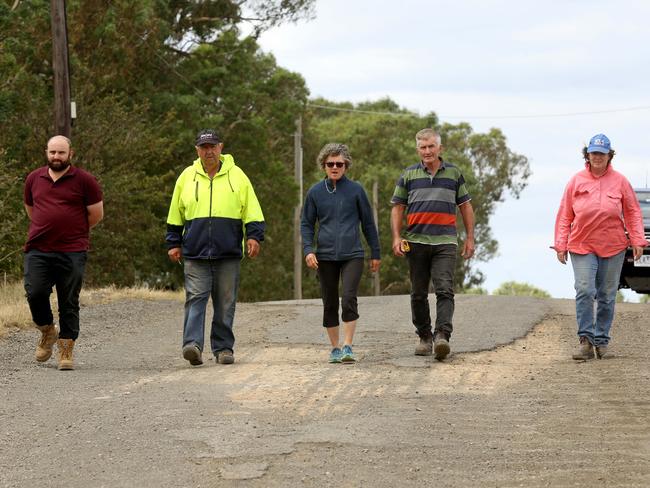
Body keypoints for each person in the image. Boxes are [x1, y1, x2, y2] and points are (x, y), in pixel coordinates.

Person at [166, 129, 265, 366]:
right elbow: (175, 212)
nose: (208, 151)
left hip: (228, 252)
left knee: (225, 302)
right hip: (195, 251)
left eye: (212, 146)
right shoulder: (186, 177)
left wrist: (254, 236)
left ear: (221, 147)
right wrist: (173, 242)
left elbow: (252, 209)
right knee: (195, 298)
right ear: (197, 150)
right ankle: (192, 345)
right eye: (203, 147)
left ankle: (223, 348)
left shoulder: (238, 176)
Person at [553, 133, 648, 360]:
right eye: (593, 153)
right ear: (588, 155)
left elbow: (633, 213)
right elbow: (565, 214)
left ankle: (602, 340)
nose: (597, 157)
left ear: (609, 156)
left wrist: (637, 240)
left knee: (606, 295)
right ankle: (585, 340)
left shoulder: (621, 182)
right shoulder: (576, 181)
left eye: (601, 154)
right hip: (582, 244)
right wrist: (560, 244)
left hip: (613, 245)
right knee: (585, 290)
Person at [390, 128, 475, 361]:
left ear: (440, 148)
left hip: (445, 242)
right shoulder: (408, 175)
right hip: (416, 241)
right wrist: (397, 237)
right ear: (418, 149)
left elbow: (465, 206)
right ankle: (425, 337)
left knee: (444, 289)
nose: (427, 151)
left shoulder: (454, 174)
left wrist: (469, 237)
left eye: (431, 147)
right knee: (418, 293)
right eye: (423, 147)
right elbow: (397, 207)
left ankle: (442, 336)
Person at [23, 135, 104, 370]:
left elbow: (96, 215)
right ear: (46, 152)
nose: (56, 157)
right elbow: (31, 210)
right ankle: (48, 331)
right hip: (38, 249)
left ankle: (66, 349)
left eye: (60, 153)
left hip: (72, 250)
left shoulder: (85, 181)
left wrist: (72, 230)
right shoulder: (33, 179)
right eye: (52, 152)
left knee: (68, 300)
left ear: (71, 154)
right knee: (35, 292)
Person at [301, 143, 381, 363]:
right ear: (324, 166)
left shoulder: (356, 190)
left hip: (352, 254)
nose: (335, 167)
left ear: (346, 165)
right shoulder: (315, 192)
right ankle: (334, 348)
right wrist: (308, 250)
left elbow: (368, 224)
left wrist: (376, 253)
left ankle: (348, 346)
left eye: (339, 163)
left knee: (348, 298)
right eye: (330, 164)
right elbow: (306, 223)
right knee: (329, 302)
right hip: (324, 256)